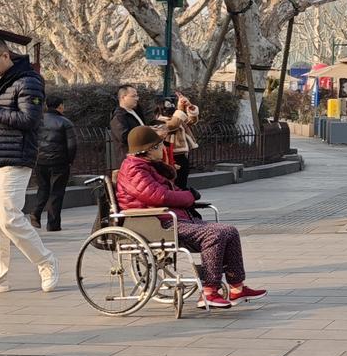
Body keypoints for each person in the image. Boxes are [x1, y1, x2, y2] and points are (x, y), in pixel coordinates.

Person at [116, 126, 266, 310]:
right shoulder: (134, 170)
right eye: (159, 145)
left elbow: (168, 192)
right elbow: (158, 196)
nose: (163, 148)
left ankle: (237, 287)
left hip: (170, 219)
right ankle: (209, 292)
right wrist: (189, 197)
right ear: (148, 150)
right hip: (156, 223)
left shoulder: (148, 167)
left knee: (230, 231)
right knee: (214, 234)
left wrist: (187, 195)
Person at [0, 36, 59, 293]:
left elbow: (29, 119)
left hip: (14, 160)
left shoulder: (28, 80)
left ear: (5, 56)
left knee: (10, 220)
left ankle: (46, 262)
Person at [28, 96, 78, 232]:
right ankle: (53, 224)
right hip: (59, 162)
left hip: (40, 161)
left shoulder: (38, 121)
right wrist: (69, 160)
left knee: (43, 188)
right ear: (60, 106)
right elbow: (72, 145)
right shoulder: (65, 123)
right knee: (56, 192)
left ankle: (35, 213)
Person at [110, 84, 147, 166]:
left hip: (140, 157)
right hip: (130, 161)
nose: (137, 99)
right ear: (123, 97)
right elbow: (124, 137)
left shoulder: (135, 111)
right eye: (133, 96)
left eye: (137, 96)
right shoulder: (119, 116)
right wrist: (146, 134)